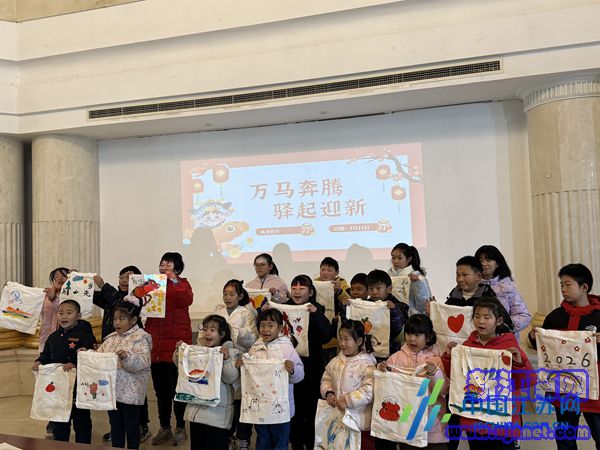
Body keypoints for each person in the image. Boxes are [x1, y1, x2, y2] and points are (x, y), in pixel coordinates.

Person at [442, 297, 533, 450]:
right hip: (474, 417)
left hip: (501, 419)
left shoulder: (508, 346)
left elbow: (527, 380)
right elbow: (456, 377)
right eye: (477, 316)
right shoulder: (467, 346)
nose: (481, 321)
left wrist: (518, 363)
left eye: (487, 317)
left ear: (499, 321)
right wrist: (449, 357)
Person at [528, 263, 600, 450]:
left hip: (594, 387)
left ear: (584, 287)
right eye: (561, 285)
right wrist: (533, 337)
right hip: (564, 386)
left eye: (568, 284)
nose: (563, 289)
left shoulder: (598, 316)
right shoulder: (555, 316)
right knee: (565, 435)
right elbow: (544, 349)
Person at [94, 265, 151, 444]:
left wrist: (127, 357)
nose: (117, 322)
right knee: (116, 426)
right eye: (115, 318)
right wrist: (89, 354)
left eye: (122, 319)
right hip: (112, 391)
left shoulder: (140, 338)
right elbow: (100, 357)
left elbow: (142, 363)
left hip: (131, 394)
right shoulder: (110, 338)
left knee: (132, 427)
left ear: (133, 320)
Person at [376, 314, 448, 450]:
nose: (412, 338)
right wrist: (382, 370)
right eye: (409, 333)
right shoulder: (396, 358)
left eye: (417, 334)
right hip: (406, 420)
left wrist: (434, 373)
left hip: (432, 422)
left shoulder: (436, 360)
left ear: (428, 337)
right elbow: (386, 387)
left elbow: (442, 390)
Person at [236, 308, 304, 450]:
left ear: (280, 328)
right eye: (262, 325)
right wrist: (242, 364)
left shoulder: (286, 348)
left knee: (280, 441)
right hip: (260, 407)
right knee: (263, 439)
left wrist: (292, 370)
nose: (266, 329)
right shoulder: (255, 347)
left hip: (281, 409)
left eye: (271, 325)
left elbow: (300, 374)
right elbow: (249, 371)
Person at [145, 252, 193, 446]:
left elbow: (186, 299)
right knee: (161, 392)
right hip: (156, 346)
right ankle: (165, 427)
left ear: (177, 268)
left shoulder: (183, 284)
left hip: (175, 346)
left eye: (168, 264)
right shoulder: (152, 285)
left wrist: (173, 281)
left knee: (178, 390)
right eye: (162, 263)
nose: (164, 267)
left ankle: (180, 427)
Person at [32, 300, 97, 443]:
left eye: (69, 313)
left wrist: (75, 364)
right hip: (59, 388)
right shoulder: (53, 337)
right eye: (61, 313)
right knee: (59, 421)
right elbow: (46, 355)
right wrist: (39, 361)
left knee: (81, 422)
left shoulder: (85, 335)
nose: (64, 316)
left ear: (78, 315)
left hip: (79, 388)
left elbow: (92, 358)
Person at [283, 275, 332, 450]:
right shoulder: (284, 309)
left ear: (310, 292)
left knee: (311, 408)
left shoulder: (316, 309)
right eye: (294, 288)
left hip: (312, 367)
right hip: (289, 367)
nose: (297, 291)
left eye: (302, 288)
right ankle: (296, 443)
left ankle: (312, 444)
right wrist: (264, 311)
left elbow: (327, 336)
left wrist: (316, 315)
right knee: (293, 407)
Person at [179, 315, 240, 450]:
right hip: (197, 412)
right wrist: (180, 353)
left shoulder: (231, 352)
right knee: (197, 446)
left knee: (216, 444)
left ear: (222, 334)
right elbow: (183, 369)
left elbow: (231, 377)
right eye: (205, 329)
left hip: (217, 416)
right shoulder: (197, 350)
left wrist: (226, 359)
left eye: (212, 330)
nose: (207, 333)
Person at [214, 280, 258, 449]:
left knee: (241, 402)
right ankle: (226, 435)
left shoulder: (246, 313)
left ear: (240, 296)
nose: (228, 297)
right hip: (221, 360)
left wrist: (238, 332)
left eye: (232, 294)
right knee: (225, 399)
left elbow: (252, 340)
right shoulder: (218, 311)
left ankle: (243, 437)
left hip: (240, 361)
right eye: (225, 294)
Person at [321, 320, 377, 450]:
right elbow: (326, 379)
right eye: (340, 339)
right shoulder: (335, 361)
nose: (342, 343)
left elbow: (369, 390)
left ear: (359, 341)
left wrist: (348, 400)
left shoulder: (367, 365)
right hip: (338, 419)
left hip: (360, 421)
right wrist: (329, 392)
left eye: (346, 339)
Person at [474, 245, 531, 340]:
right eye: (480, 260)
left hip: (503, 340)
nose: (483, 263)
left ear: (497, 263)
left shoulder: (507, 287)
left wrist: (501, 326)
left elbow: (524, 316)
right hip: (476, 339)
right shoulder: (471, 285)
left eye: (488, 260)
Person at [366, 269, 409, 357]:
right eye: (371, 288)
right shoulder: (366, 305)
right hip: (369, 352)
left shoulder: (399, 306)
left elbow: (400, 333)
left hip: (391, 352)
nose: (374, 292)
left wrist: (394, 310)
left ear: (389, 289)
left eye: (378, 288)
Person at [388, 243, 432, 316]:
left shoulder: (417, 277)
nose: (396, 261)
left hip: (412, 317)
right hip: (393, 316)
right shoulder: (388, 276)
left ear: (409, 259)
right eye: (393, 258)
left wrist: (417, 284)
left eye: (400, 258)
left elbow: (424, 304)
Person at [39, 267, 69, 352]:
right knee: (44, 358)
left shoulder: (73, 296)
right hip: (46, 336)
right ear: (53, 281)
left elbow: (63, 309)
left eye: (63, 276)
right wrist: (11, 290)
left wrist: (54, 298)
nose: (60, 278)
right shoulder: (44, 295)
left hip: (66, 336)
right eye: (56, 276)